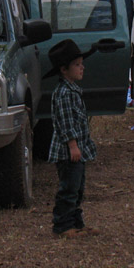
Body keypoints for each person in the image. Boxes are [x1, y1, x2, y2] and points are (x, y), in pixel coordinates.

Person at [45, 39, 98, 238]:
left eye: (81, 63)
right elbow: (66, 123)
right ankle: (62, 225)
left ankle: (76, 222)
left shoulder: (73, 91)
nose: (82, 67)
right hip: (68, 152)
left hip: (78, 151)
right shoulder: (64, 93)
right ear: (64, 70)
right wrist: (73, 146)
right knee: (69, 188)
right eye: (77, 64)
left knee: (77, 188)